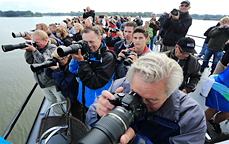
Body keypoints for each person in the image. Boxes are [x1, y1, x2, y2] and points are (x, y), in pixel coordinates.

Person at [94, 52, 206, 144]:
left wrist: (135, 141)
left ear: (170, 93)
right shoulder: (121, 86)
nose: (140, 103)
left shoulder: (191, 117)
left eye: (151, 100)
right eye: (134, 94)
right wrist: (100, 113)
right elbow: (91, 118)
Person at [69, 26, 116, 110]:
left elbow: (94, 83)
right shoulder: (86, 53)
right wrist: (75, 56)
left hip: (98, 104)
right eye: (86, 42)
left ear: (100, 39)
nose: (89, 45)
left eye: (91, 41)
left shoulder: (108, 57)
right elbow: (73, 70)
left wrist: (82, 62)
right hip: (83, 99)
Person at [23, 30, 66, 116]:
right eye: (34, 42)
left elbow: (44, 62)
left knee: (63, 101)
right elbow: (29, 61)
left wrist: (34, 50)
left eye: (37, 42)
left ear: (45, 40)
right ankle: (59, 116)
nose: (35, 44)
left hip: (53, 83)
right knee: (52, 101)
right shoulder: (37, 48)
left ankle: (69, 115)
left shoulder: (52, 48)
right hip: (42, 83)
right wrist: (29, 50)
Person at [45, 48, 83, 121]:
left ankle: (79, 126)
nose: (58, 62)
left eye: (60, 59)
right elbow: (49, 75)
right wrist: (49, 66)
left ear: (67, 57)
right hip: (67, 94)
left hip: (75, 96)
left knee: (77, 114)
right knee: (69, 111)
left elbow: (65, 84)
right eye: (56, 59)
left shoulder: (72, 67)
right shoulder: (61, 65)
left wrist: (56, 70)